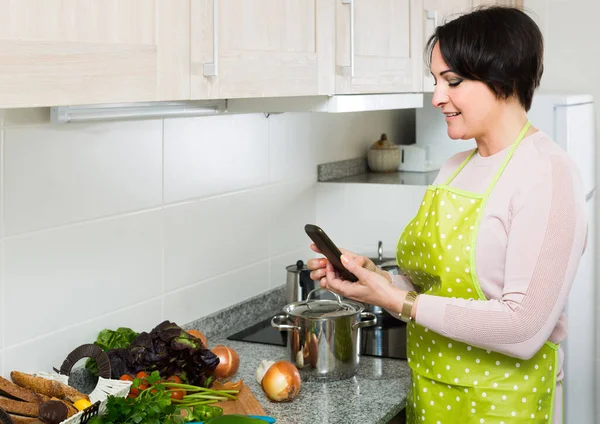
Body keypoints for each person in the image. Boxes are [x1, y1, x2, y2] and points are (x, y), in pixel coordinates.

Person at [308, 6, 587, 424]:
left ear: (503, 77)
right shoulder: (454, 168)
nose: (438, 97)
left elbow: (524, 327)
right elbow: (434, 289)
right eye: (436, 81)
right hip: (431, 398)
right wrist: (374, 280)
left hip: (506, 407)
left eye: (452, 81)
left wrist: (397, 299)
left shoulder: (548, 173)